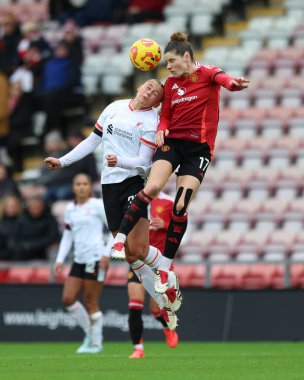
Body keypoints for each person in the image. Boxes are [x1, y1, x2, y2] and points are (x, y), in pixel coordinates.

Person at [112, 32, 249, 293]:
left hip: (198, 150)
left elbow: (225, 80)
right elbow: (165, 116)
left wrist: (234, 84)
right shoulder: (171, 84)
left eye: (172, 61)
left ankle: (165, 267)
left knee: (180, 206)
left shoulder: (208, 73)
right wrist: (162, 128)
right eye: (166, 63)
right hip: (172, 145)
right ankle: (119, 240)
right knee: (151, 189)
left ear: (186, 57)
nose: (169, 67)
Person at [44, 79, 179, 330]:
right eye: (148, 86)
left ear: (157, 102)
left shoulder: (151, 123)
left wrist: (121, 162)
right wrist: (62, 161)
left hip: (133, 182)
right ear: (139, 87)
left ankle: (168, 275)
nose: (149, 91)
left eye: (156, 93)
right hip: (109, 185)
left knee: (138, 247)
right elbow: (92, 142)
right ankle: (163, 300)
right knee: (131, 254)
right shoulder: (114, 107)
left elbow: (145, 164)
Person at [54, 173, 110, 353]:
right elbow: (68, 235)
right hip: (78, 259)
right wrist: (60, 259)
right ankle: (90, 334)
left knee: (90, 301)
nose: (81, 187)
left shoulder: (97, 205)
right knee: (68, 299)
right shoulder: (70, 208)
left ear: (89, 187)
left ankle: (96, 344)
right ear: (73, 187)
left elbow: (115, 230)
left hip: (95, 258)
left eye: (85, 183)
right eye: (78, 184)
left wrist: (106, 254)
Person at [128, 191, 178, 359]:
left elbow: (183, 230)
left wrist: (165, 224)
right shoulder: (134, 200)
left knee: (156, 310)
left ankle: (168, 327)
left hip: (159, 260)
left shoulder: (169, 202)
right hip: (137, 260)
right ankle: (138, 348)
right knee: (135, 304)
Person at [0, 194, 23, 260]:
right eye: (9, 206)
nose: (12, 208)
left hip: (20, 255)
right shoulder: (1, 222)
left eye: (14, 206)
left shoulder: (24, 221)